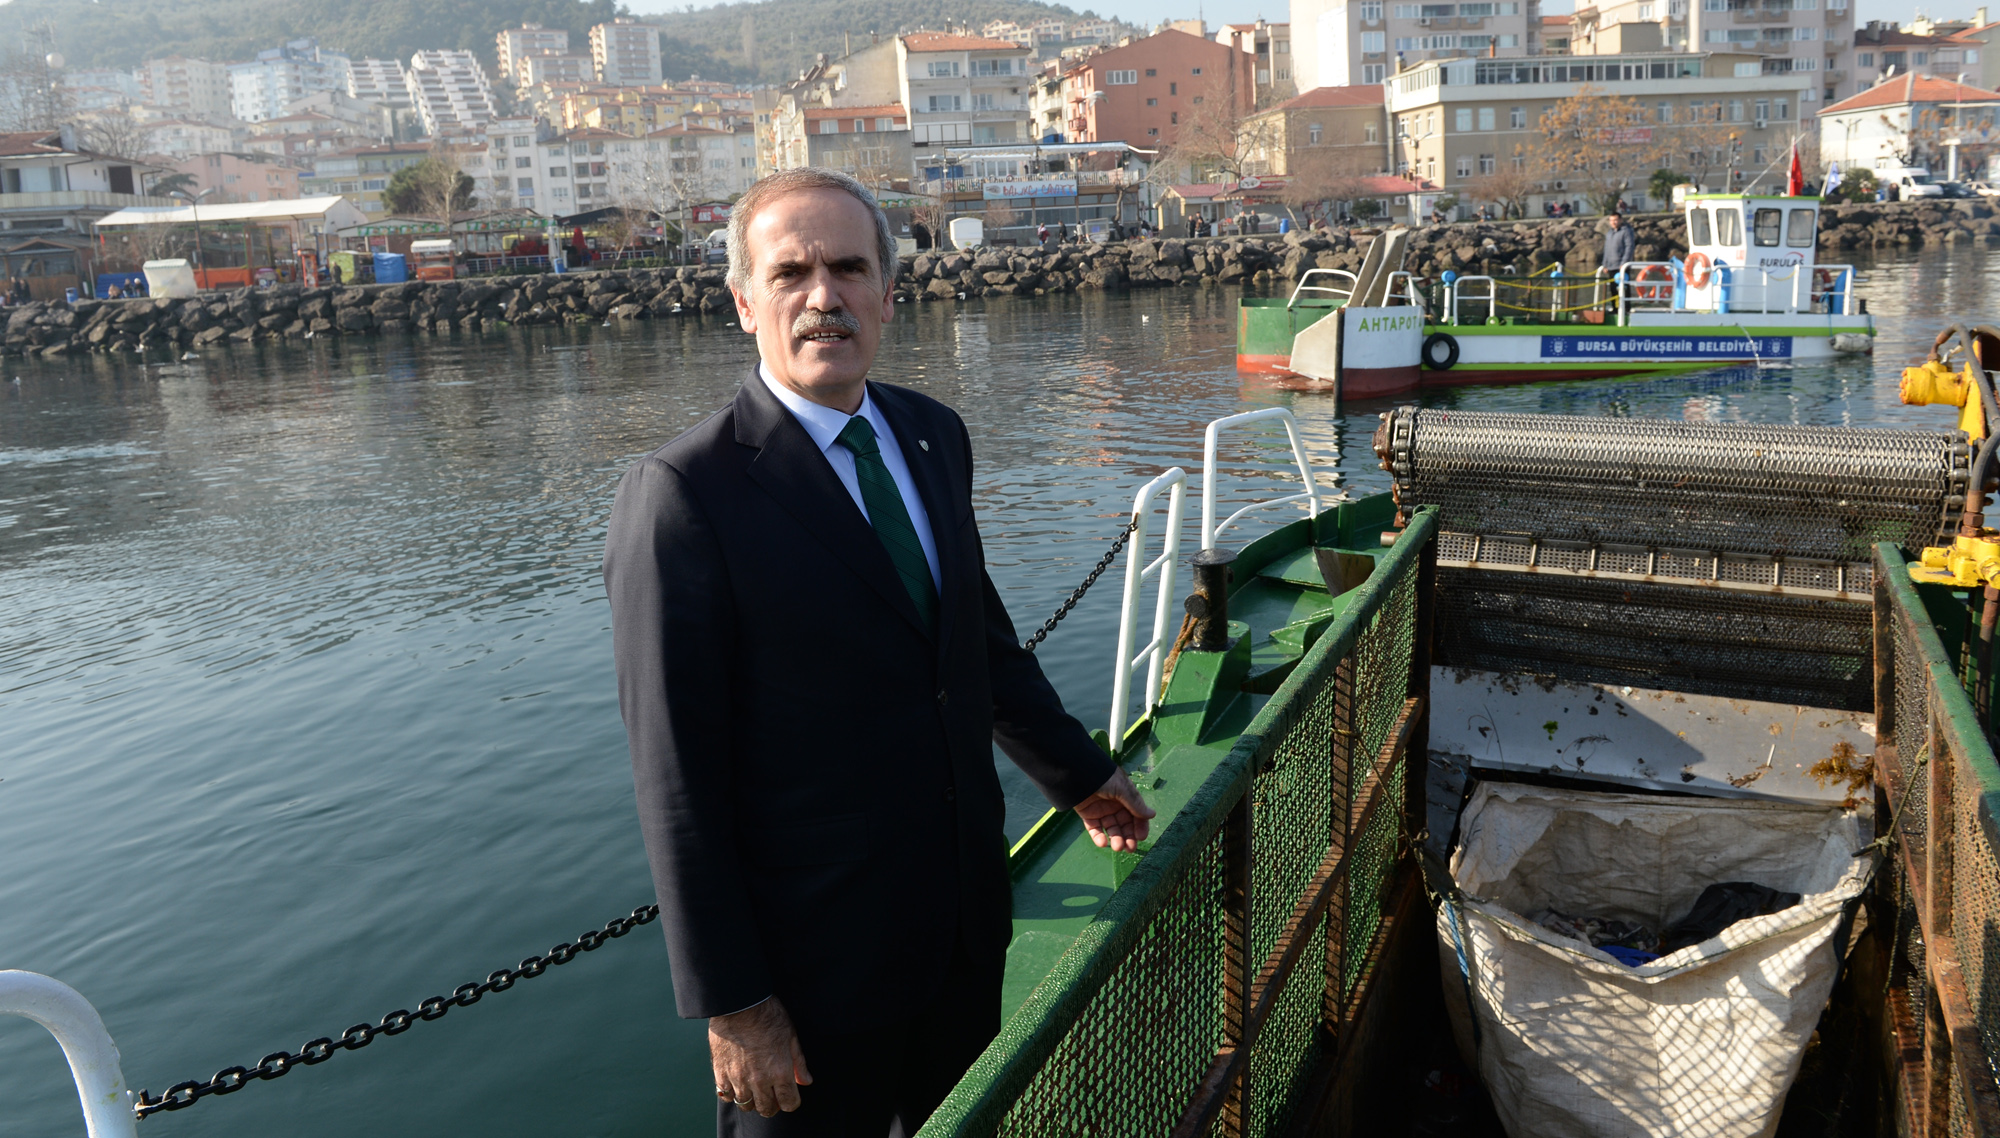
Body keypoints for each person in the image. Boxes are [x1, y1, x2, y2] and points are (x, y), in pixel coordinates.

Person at [602, 167, 1154, 1138]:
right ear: (744, 303)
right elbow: (675, 776)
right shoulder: (684, 494)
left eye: (850, 269)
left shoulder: (931, 435)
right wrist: (734, 1000)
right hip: (808, 973)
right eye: (790, 273)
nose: (824, 296)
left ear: (888, 294)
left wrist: (1077, 773)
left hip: (959, 929)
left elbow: (976, 644)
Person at [1600, 211, 1635, 275]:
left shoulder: (1626, 231)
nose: (1613, 222)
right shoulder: (1609, 233)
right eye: (1611, 220)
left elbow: (1629, 247)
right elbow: (1606, 249)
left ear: (1621, 220)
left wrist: (1624, 263)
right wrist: (1605, 264)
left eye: (1615, 220)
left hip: (1621, 267)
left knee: (1623, 282)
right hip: (1610, 267)